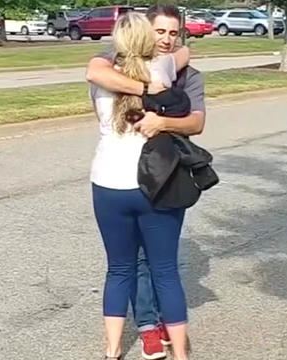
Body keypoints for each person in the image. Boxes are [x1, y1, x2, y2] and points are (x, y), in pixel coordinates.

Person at [86, 4, 205, 360]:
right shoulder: (162, 72)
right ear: (148, 38)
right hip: (155, 183)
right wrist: (152, 82)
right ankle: (180, 354)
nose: (167, 41)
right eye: (160, 33)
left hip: (107, 185)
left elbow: (95, 70)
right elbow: (183, 53)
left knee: (118, 270)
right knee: (166, 271)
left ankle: (112, 350)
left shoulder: (106, 72)